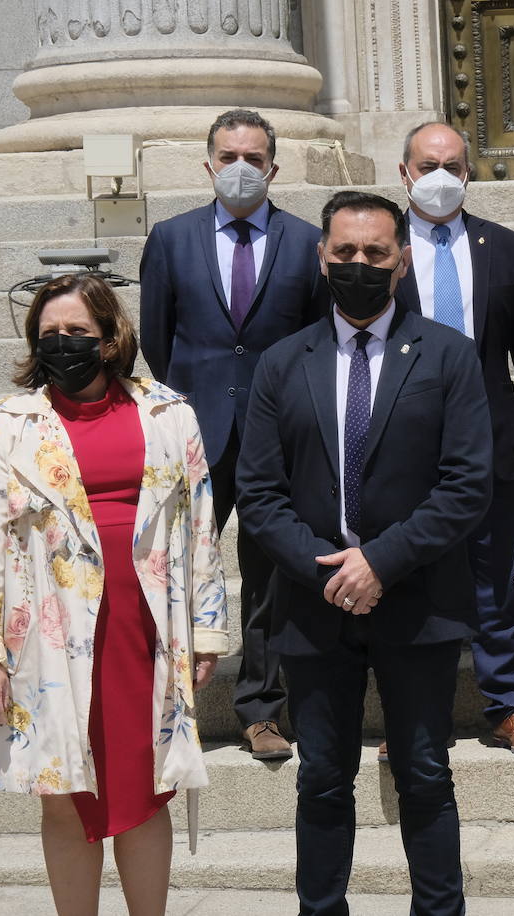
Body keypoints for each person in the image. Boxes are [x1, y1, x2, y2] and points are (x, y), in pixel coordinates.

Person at [236, 191, 493, 916]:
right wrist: (328, 568)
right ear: (322, 258)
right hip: (315, 605)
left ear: (402, 262)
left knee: (423, 773)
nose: (359, 265)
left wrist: (379, 562)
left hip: (416, 602)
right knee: (320, 776)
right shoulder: (284, 362)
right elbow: (259, 492)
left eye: (375, 254)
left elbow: (467, 484)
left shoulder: (449, 355)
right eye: (344, 252)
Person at [0, 274, 226, 916]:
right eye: (50, 335)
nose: (63, 344)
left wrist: (207, 630)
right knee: (65, 790)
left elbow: (200, 525)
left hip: (143, 626)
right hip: (48, 632)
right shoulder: (10, 424)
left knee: (144, 789)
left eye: (78, 334)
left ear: (110, 338)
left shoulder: (168, 413)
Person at [140, 108, 328, 759]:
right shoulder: (171, 238)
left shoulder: (307, 241)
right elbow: (157, 341)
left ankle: (259, 709)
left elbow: (314, 340)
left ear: (273, 167)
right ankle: (177, 703)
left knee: (271, 573)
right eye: (229, 157)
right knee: (182, 572)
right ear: (209, 164)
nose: (241, 168)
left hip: (278, 434)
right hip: (195, 432)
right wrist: (191, 408)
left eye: (253, 158)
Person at [392, 121, 514, 756]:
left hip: (491, 436)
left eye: (452, 166)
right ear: (405, 172)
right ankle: (408, 709)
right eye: (427, 165)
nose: (440, 177)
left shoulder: (503, 246)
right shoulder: (381, 247)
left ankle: (507, 702)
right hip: (401, 436)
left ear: (468, 172)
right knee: (407, 569)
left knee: (494, 571)